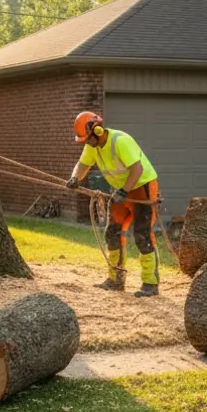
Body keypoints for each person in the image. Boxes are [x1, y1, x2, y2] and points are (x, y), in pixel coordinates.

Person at [63, 111, 162, 297]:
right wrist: (74, 178)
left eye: (86, 138)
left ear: (98, 131)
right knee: (112, 232)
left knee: (142, 234)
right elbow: (83, 165)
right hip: (120, 190)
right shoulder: (92, 146)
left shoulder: (120, 141)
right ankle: (116, 279)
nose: (85, 142)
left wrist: (124, 191)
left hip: (142, 185)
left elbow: (137, 169)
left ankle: (150, 283)